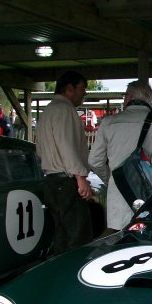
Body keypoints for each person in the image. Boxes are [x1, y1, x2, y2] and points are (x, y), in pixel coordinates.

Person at [89, 81, 152, 232]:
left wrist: (112, 179)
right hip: (149, 194)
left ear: (129, 97)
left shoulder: (109, 122)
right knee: (146, 242)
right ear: (148, 99)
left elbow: (94, 161)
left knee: (119, 241)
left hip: (118, 197)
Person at [35, 70, 94, 255]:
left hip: (52, 181)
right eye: (82, 88)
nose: (84, 93)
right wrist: (79, 177)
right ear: (70, 88)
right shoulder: (64, 109)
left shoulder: (48, 110)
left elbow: (39, 149)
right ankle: (74, 277)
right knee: (77, 237)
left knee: (60, 235)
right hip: (66, 180)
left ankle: (59, 276)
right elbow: (66, 145)